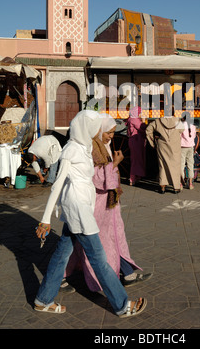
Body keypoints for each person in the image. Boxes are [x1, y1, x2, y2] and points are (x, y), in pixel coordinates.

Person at [34, 110, 146, 317]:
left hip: (82, 207)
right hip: (78, 210)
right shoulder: (72, 150)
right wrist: (45, 220)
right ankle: (121, 305)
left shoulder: (85, 147)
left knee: (61, 255)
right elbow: (57, 185)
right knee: (99, 259)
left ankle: (43, 299)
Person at [64, 114, 152, 290]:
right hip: (96, 204)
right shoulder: (89, 149)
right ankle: (67, 277)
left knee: (113, 239)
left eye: (113, 132)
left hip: (108, 205)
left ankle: (126, 273)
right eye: (109, 132)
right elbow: (97, 179)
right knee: (84, 244)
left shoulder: (103, 146)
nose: (111, 136)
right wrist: (115, 164)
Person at [146, 110, 184, 193]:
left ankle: (162, 187)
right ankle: (176, 187)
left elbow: (148, 130)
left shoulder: (157, 121)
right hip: (175, 146)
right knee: (176, 165)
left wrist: (153, 143)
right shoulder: (177, 120)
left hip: (162, 145)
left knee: (163, 165)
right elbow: (182, 130)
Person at [125, 106, 147, 186]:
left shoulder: (132, 119)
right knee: (136, 159)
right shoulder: (134, 120)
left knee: (136, 159)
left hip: (135, 141)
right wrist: (144, 121)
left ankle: (136, 176)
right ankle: (132, 178)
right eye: (140, 112)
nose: (141, 114)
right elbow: (142, 128)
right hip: (136, 141)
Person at [180, 117, 196, 190]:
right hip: (190, 147)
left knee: (181, 165)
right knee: (190, 164)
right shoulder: (193, 126)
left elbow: (179, 136)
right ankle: (190, 183)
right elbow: (194, 136)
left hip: (182, 147)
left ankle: (180, 183)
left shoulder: (181, 126)